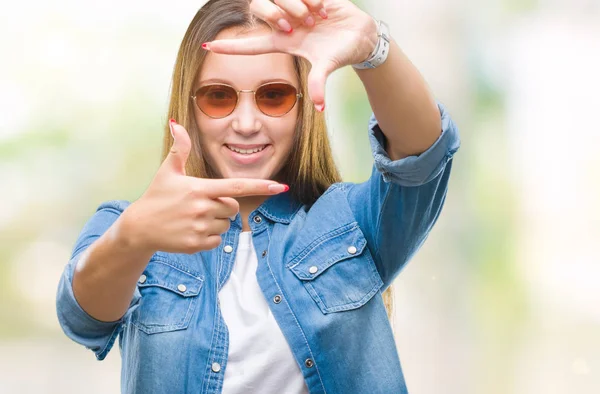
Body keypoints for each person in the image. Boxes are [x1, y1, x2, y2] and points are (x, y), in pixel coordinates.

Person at [56, 0, 460, 393]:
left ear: (302, 108)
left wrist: (372, 48)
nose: (247, 123)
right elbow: (82, 318)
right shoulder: (126, 226)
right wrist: (134, 236)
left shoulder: (354, 223)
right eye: (219, 96)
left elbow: (422, 155)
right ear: (189, 106)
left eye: (273, 96)